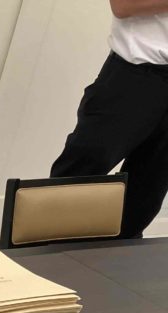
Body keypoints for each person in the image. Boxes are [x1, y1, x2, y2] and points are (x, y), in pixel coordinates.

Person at [52, 0, 168, 237]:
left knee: (147, 192)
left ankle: (117, 257)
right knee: (79, 174)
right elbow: (124, 5)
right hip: (136, 72)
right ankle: (37, 252)